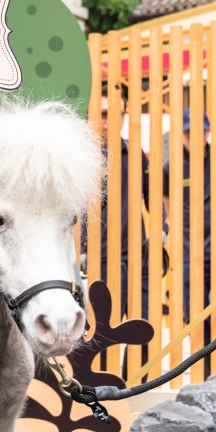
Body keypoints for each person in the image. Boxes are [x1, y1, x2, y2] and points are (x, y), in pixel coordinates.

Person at [84, 93, 163, 321]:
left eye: (113, 115)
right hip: (103, 260)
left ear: (123, 118)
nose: (106, 121)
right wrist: (80, 249)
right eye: (102, 114)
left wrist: (162, 229)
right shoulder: (85, 157)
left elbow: (152, 195)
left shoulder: (136, 154)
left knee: (144, 328)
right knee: (103, 332)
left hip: (139, 258)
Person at [163, 108, 216, 340]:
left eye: (199, 132)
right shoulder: (170, 166)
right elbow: (165, 201)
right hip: (188, 249)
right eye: (188, 133)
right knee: (194, 312)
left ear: (208, 131)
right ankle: (203, 365)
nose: (194, 138)